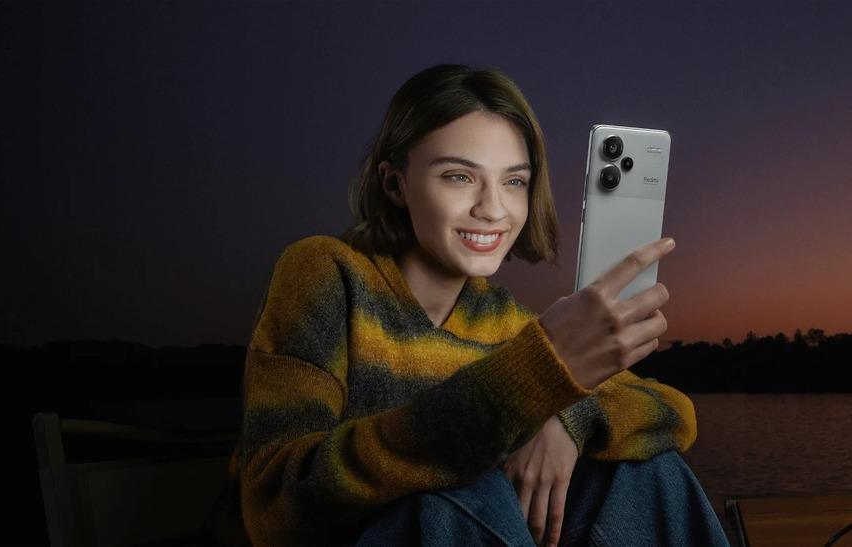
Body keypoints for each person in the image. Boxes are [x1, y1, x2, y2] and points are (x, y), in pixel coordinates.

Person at [210, 64, 730, 547]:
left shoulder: (504, 320)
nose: (492, 209)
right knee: (455, 497)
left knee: (648, 471)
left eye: (514, 181)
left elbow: (674, 412)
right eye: (459, 176)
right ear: (396, 183)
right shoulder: (326, 272)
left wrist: (568, 420)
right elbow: (274, 504)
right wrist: (528, 383)